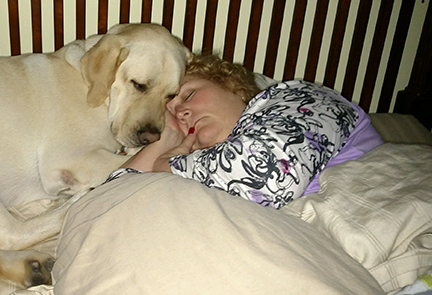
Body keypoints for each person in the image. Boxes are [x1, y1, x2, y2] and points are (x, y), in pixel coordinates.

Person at [108, 53, 384, 209]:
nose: (180, 112)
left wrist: (169, 164)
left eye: (189, 95)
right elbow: (111, 201)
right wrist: (167, 138)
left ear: (231, 85)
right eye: (173, 113)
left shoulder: (298, 99)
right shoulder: (205, 170)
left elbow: (270, 175)